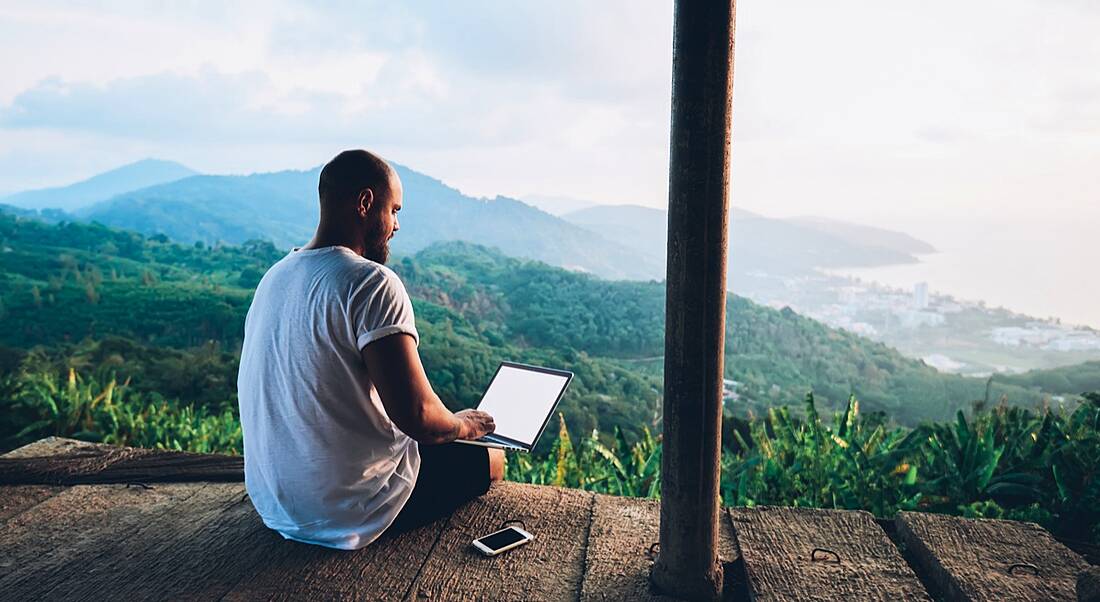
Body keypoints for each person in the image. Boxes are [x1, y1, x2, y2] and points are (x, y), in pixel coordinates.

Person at [237, 149, 504, 550]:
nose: (396, 225)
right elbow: (417, 417)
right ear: (365, 203)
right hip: (345, 511)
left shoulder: (275, 277)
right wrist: (465, 425)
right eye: (394, 210)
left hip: (275, 505)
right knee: (492, 459)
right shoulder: (371, 282)